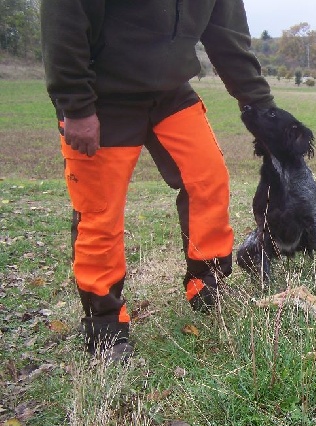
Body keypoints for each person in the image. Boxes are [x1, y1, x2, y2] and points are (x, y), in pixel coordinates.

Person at [40, 1, 276, 361]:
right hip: (103, 98)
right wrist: (75, 105)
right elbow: (64, 15)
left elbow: (228, 38)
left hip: (169, 93)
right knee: (99, 211)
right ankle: (105, 327)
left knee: (208, 178)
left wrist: (261, 106)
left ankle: (206, 282)